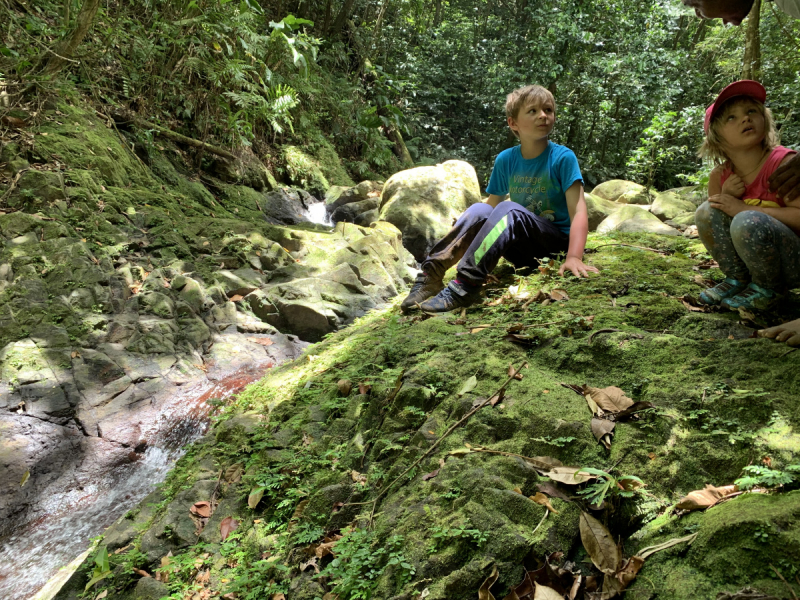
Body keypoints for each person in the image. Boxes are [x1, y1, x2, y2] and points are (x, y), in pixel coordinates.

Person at [400, 84, 598, 314]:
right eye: (533, 111)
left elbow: (579, 211)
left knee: (509, 209)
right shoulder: (506, 159)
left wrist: (574, 256)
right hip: (521, 249)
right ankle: (431, 274)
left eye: (548, 110)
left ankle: (465, 286)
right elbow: (490, 208)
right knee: (478, 210)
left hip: (554, 246)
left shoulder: (563, 158)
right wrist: (465, 226)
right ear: (513, 123)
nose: (543, 115)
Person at [694, 80, 800, 310]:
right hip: (752, 263)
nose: (745, 118)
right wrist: (727, 197)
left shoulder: (786, 166)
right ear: (716, 138)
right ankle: (738, 280)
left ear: (765, 119)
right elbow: (717, 223)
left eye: (752, 111)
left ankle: (769, 290)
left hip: (792, 262)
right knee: (706, 210)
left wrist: (746, 209)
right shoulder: (720, 176)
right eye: (731, 117)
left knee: (747, 219)